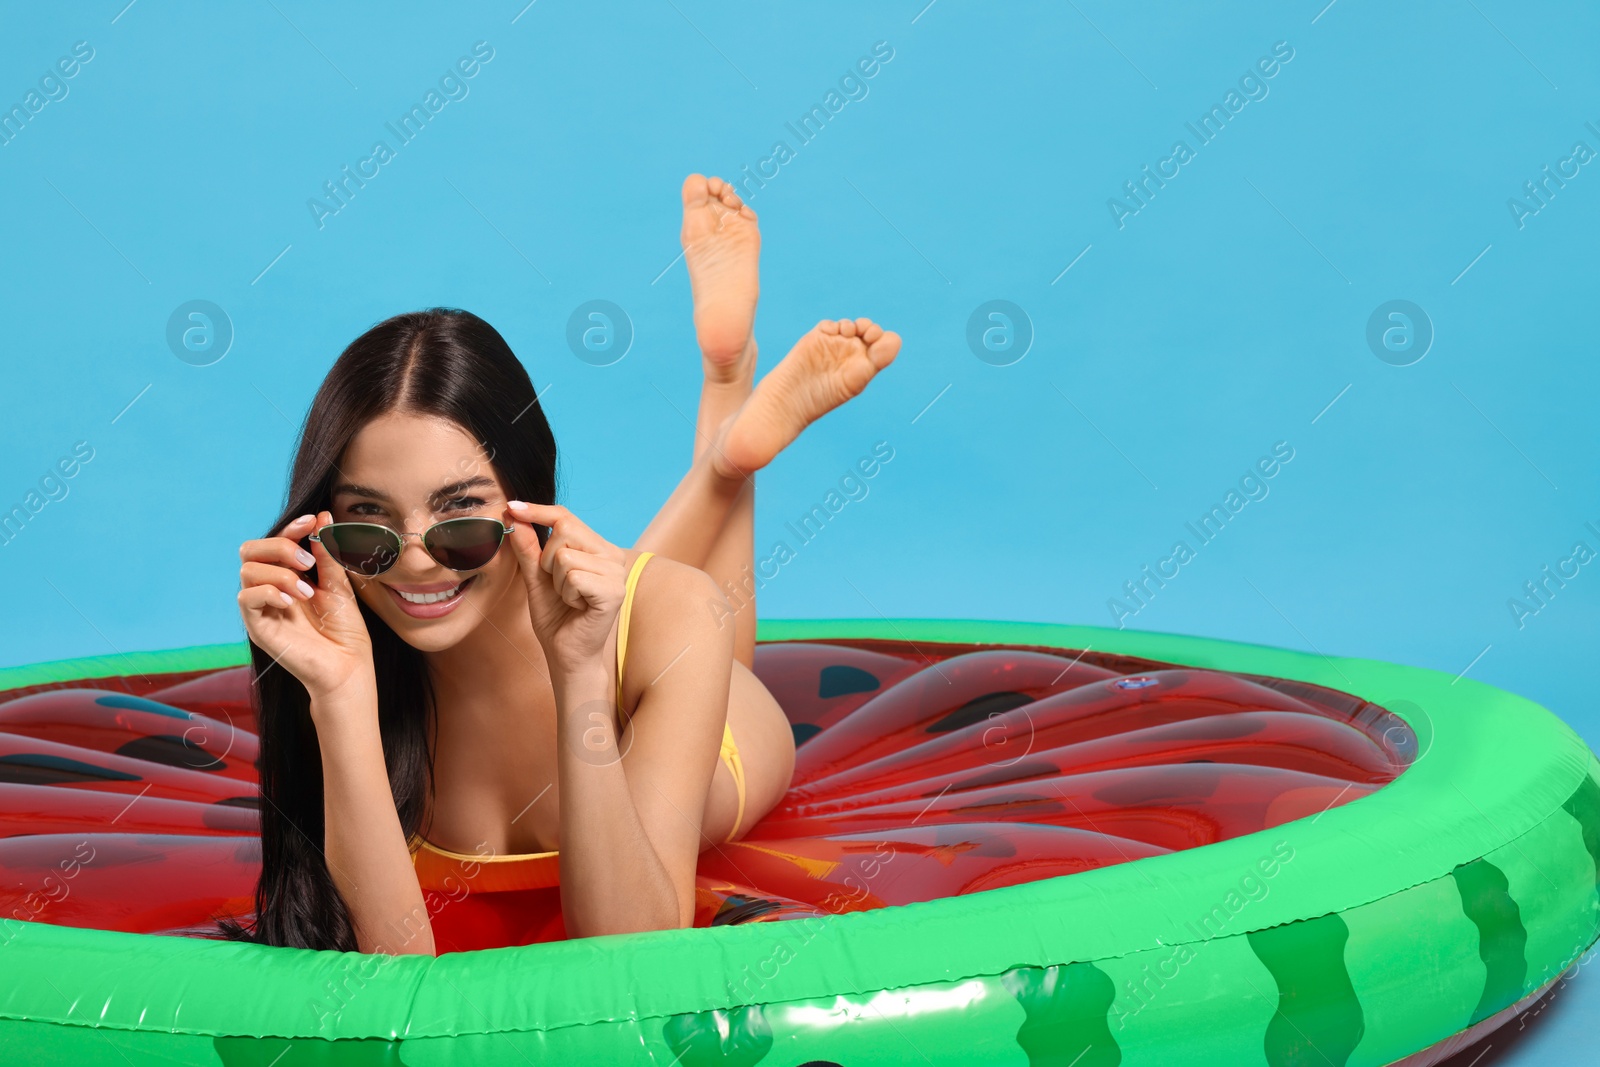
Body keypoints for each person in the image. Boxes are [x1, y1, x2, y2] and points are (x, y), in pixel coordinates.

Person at [228, 175, 900, 954]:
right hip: (592, 614)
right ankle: (725, 444)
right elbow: (396, 981)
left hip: (724, 733)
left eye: (460, 518)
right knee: (642, 602)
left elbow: (630, 949)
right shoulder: (338, 644)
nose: (413, 563)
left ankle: (727, 420)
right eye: (368, 525)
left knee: (681, 616)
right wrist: (340, 697)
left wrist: (583, 675)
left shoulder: (666, 615)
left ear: (529, 500)